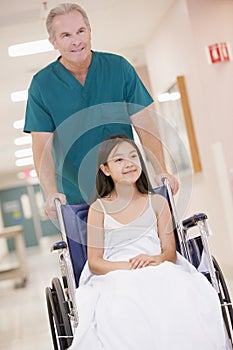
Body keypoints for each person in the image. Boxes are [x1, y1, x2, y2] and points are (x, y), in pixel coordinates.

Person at [69, 134, 230, 349]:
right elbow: (95, 262)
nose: (129, 164)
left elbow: (169, 253)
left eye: (133, 156)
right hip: (115, 271)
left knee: (177, 286)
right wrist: (128, 266)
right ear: (105, 169)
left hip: (157, 263)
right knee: (125, 293)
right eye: (119, 160)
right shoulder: (99, 209)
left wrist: (152, 260)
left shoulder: (157, 202)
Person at [23, 3, 179, 218]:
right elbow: (42, 146)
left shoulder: (119, 68)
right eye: (66, 35)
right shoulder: (42, 85)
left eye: (80, 31)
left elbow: (145, 124)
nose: (76, 41)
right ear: (54, 42)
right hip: (78, 198)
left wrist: (161, 169)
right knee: (92, 252)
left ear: (90, 31)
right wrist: (51, 192)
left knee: (147, 249)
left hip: (129, 190)